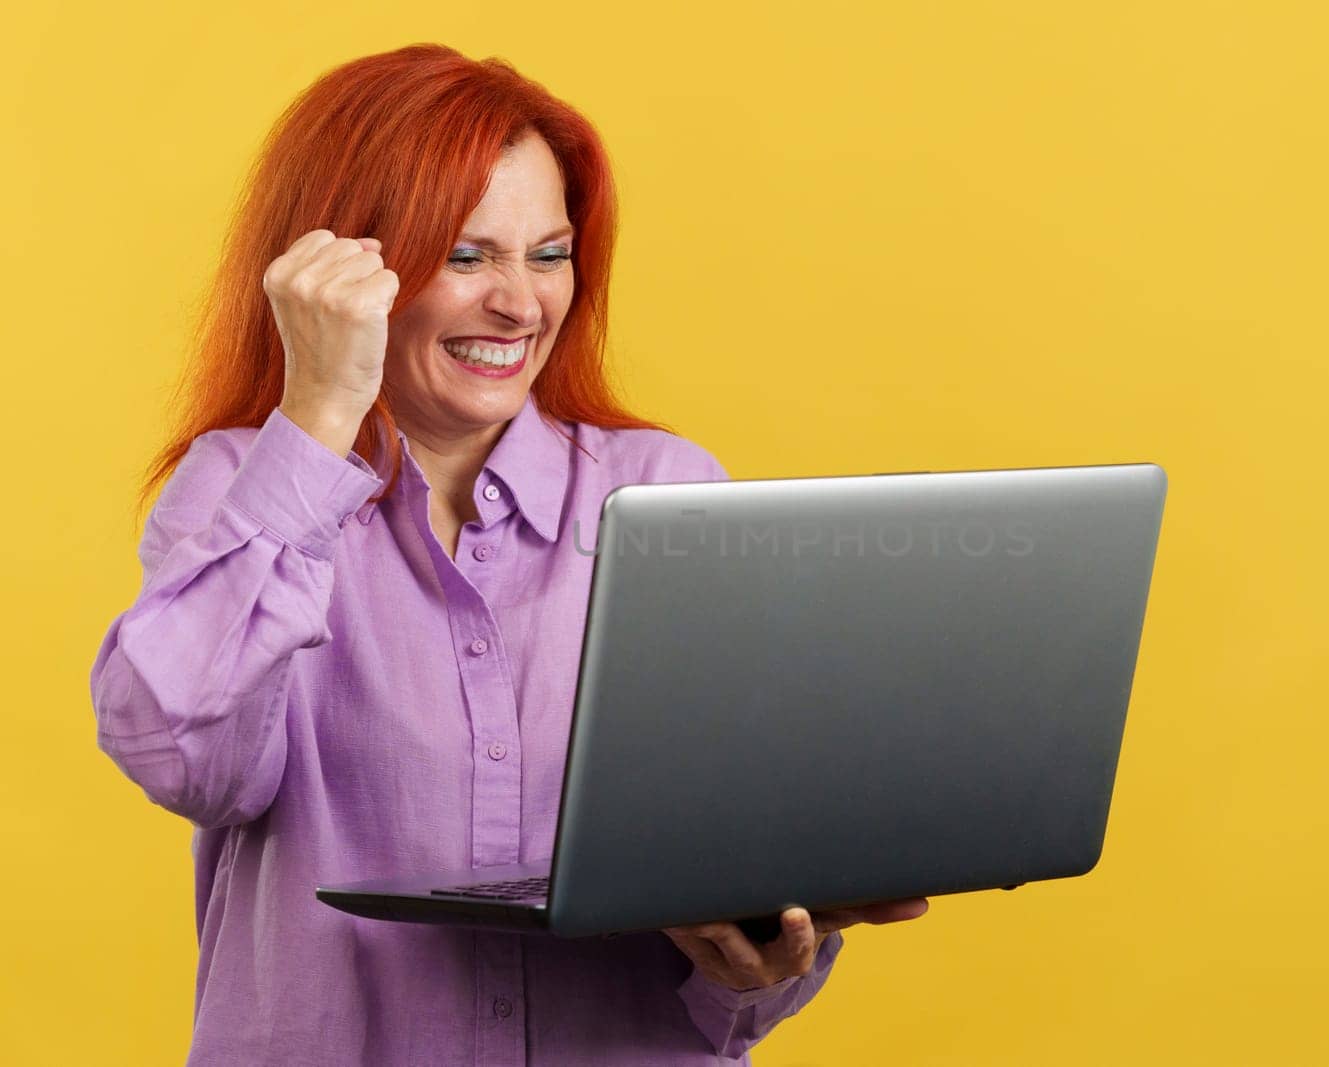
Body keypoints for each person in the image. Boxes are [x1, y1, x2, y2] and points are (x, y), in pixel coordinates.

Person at [89, 44, 926, 1066]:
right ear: (346, 274)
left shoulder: (661, 492)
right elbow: (184, 757)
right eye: (467, 255)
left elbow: (734, 857)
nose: (521, 305)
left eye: (549, 253)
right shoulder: (240, 489)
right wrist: (313, 414)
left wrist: (749, 962)